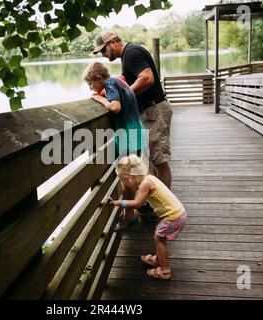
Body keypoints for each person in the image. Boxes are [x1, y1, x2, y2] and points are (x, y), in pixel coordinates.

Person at [93, 29, 173, 223]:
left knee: (159, 160)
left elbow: (147, 78)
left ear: (113, 42)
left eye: (104, 50)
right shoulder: (127, 56)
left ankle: (163, 208)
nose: (104, 55)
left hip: (154, 110)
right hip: (148, 112)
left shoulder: (132, 53)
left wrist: (125, 94)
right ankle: (153, 202)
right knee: (152, 160)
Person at [82, 62, 148, 231]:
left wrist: (99, 98)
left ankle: (129, 216)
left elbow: (115, 107)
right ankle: (144, 205)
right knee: (135, 173)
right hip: (136, 134)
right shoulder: (119, 81)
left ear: (99, 78)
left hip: (127, 138)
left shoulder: (110, 84)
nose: (91, 88)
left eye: (91, 84)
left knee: (127, 179)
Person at [109, 154, 187, 280]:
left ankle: (165, 271)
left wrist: (119, 202)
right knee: (159, 234)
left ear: (129, 179)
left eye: (123, 182)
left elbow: (137, 204)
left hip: (174, 217)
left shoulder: (145, 184)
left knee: (159, 238)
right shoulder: (149, 178)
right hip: (178, 213)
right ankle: (158, 259)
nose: (124, 185)